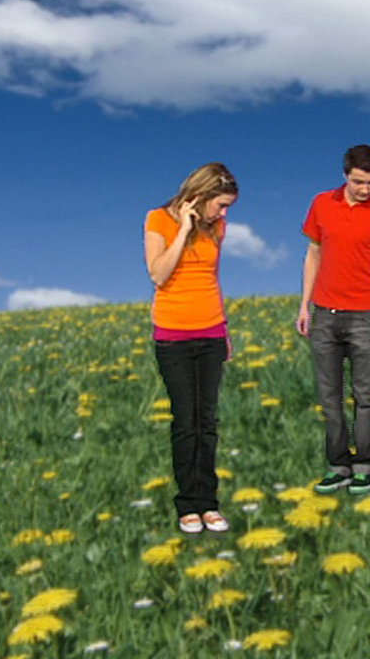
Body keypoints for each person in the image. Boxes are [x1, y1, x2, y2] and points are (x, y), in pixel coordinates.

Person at [295, 144, 370, 496]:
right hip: (325, 315)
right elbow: (312, 253)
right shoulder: (321, 204)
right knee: (329, 398)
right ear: (345, 175)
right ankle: (338, 466)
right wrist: (304, 306)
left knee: (364, 396)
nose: (365, 189)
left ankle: (364, 467)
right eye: (359, 182)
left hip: (365, 317)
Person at [144, 163, 238, 534]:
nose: (225, 214)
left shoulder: (217, 228)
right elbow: (158, 274)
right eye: (222, 205)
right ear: (201, 196)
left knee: (208, 422)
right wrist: (184, 230)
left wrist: (224, 329)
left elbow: (211, 278)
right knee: (186, 422)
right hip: (174, 336)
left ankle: (209, 503)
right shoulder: (157, 220)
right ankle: (188, 506)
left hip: (211, 332)